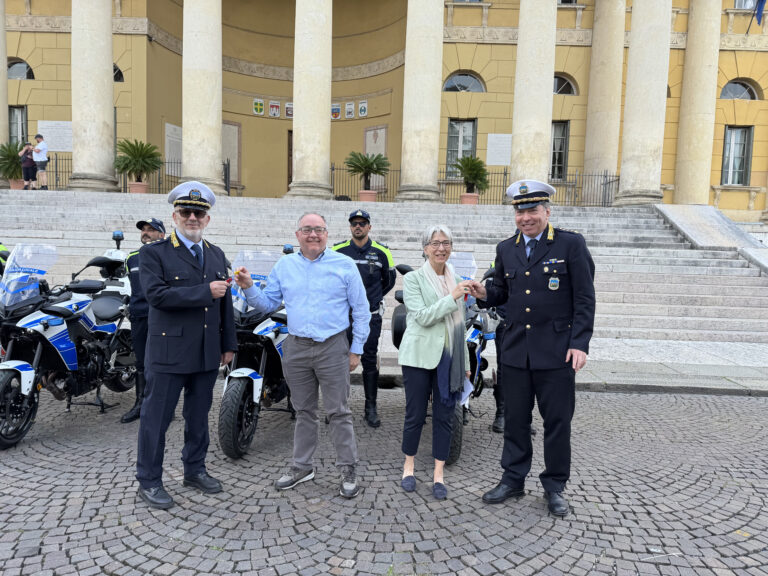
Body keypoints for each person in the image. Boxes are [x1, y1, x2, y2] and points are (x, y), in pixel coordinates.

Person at [470, 180, 595, 517]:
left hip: (556, 351)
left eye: (532, 210)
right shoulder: (506, 248)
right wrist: (484, 293)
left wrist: (580, 343)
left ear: (547, 212)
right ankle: (513, 479)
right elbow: (503, 293)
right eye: (520, 211)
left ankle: (554, 486)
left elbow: (585, 298)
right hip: (515, 351)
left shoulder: (570, 244)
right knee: (515, 420)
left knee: (557, 422)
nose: (525, 217)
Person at [233, 212, 370, 499]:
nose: (313, 234)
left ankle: (348, 468)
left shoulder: (344, 265)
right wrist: (248, 287)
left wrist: (356, 348)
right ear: (297, 235)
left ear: (327, 234)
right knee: (304, 410)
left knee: (339, 411)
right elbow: (268, 303)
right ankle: (302, 466)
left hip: (333, 347)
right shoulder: (285, 266)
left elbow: (361, 310)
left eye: (319, 229)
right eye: (307, 229)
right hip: (296, 347)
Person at [135, 182, 237, 510]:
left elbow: (225, 303)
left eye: (199, 213)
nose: (193, 218)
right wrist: (205, 291)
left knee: (198, 417)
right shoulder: (154, 253)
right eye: (186, 212)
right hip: (169, 352)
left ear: (207, 219)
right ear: (175, 216)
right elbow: (156, 296)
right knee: (156, 419)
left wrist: (228, 343)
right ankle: (149, 480)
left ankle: (194, 470)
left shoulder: (216, 253)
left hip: (206, 351)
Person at [397, 225, 473, 500]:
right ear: (425, 248)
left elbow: (459, 325)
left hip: (449, 357)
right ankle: (409, 467)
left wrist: (465, 361)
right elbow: (422, 317)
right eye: (435, 243)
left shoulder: (456, 279)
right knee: (415, 414)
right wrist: (452, 297)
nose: (441, 248)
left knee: (445, 416)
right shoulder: (413, 279)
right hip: (419, 355)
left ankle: (438, 473)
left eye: (446, 243)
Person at [332, 209, 396, 428]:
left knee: (369, 359)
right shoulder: (338, 251)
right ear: (350, 227)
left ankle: (371, 408)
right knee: (338, 360)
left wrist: (370, 299)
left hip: (370, 316)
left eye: (362, 223)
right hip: (343, 317)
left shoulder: (382, 252)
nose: (358, 226)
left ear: (369, 227)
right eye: (354, 223)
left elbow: (389, 280)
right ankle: (337, 407)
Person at [120, 217, 166, 424]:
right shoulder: (131, 258)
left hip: (163, 317)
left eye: (151, 229)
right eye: (143, 230)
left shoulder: (169, 255)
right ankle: (140, 404)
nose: (146, 232)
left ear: (161, 234)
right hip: (139, 315)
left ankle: (163, 406)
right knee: (140, 362)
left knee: (161, 362)